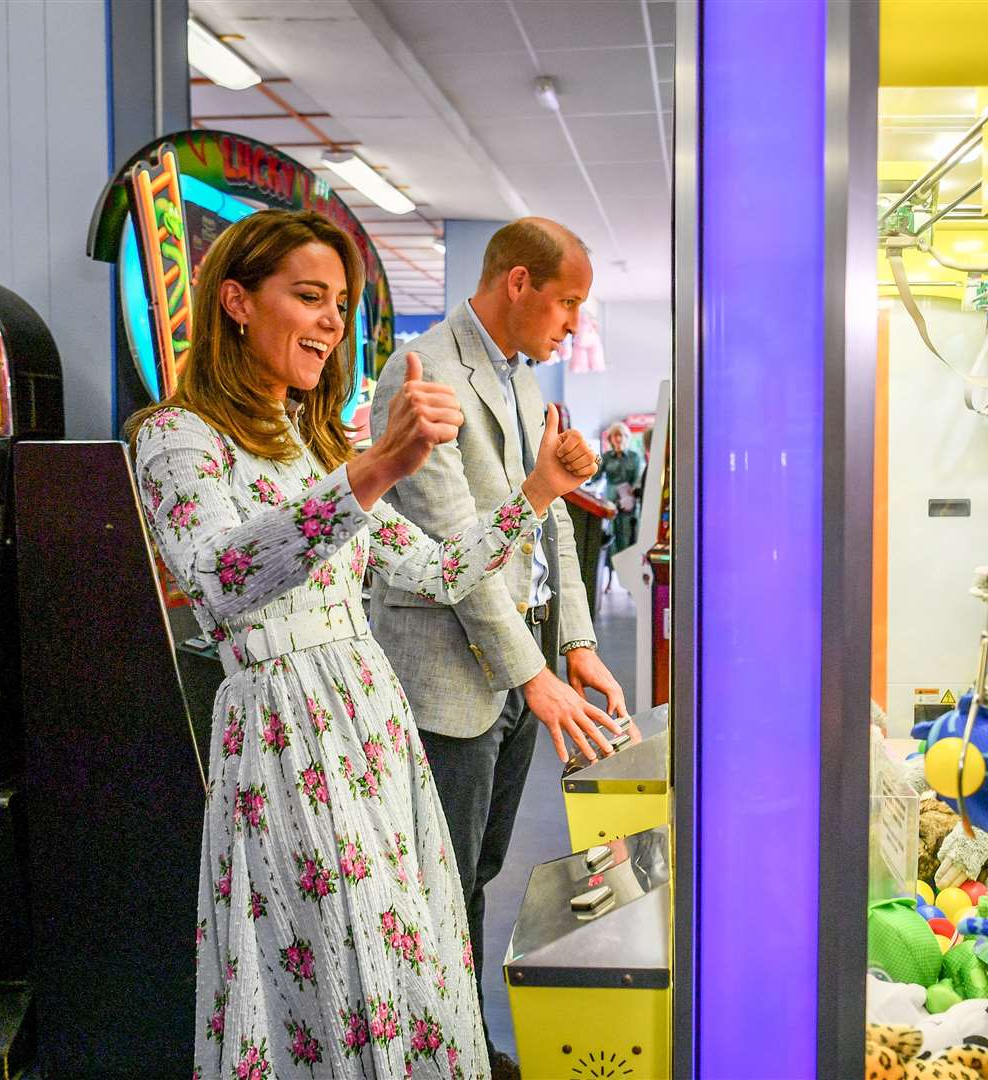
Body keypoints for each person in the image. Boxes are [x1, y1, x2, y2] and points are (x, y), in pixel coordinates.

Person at [127, 209, 597, 1079]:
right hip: (285, 738)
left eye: (339, 305)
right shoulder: (174, 437)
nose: (330, 323)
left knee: (407, 967)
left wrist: (537, 492)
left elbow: (438, 571)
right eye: (309, 297)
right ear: (236, 301)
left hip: (372, 731)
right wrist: (376, 468)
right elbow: (223, 580)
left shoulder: (309, 450)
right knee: (330, 972)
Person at [369, 218, 629, 1077]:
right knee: (437, 884)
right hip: (449, 677)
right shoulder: (419, 375)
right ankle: (446, 1055)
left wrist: (578, 645)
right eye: (567, 302)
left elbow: (543, 514)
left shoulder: (520, 379)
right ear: (518, 283)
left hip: (513, 678)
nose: (572, 324)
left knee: (477, 871)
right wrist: (535, 674)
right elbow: (455, 555)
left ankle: (459, 1045)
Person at [599, 421, 646, 559]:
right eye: (615, 436)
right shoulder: (606, 457)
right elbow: (595, 477)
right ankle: (612, 569)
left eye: (622, 435)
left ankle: (627, 570)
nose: (619, 439)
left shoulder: (634, 457)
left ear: (627, 437)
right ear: (611, 439)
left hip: (628, 503)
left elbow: (638, 480)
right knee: (610, 537)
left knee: (626, 537)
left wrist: (630, 496)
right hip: (610, 502)